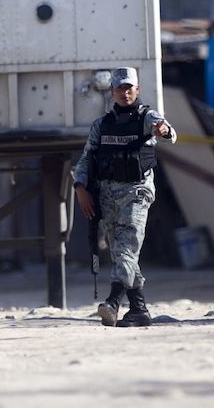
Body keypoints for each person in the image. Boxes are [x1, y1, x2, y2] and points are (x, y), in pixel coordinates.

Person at [73, 67, 176, 327]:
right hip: (107, 196)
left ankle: (113, 302)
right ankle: (139, 310)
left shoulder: (146, 117)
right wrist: (80, 188)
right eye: (120, 88)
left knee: (128, 247)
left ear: (137, 90)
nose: (125, 92)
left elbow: (168, 132)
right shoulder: (102, 125)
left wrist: (162, 129)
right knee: (120, 253)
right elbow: (86, 159)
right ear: (112, 92)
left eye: (129, 87)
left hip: (137, 191)